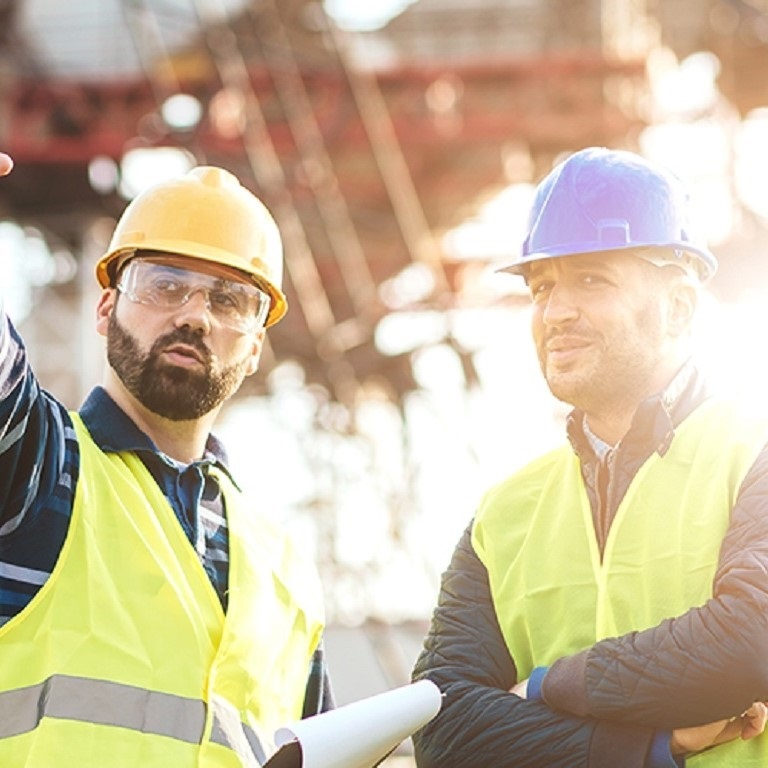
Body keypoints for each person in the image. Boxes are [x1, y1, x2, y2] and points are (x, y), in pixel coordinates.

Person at [410, 146, 768, 767]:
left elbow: (749, 642)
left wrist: (546, 687)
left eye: (592, 280)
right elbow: (441, 727)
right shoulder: (506, 513)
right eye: (542, 287)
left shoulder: (753, 452)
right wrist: (646, 747)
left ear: (679, 306)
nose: (555, 312)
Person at [0, 153, 333, 767]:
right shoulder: (40, 467)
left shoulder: (287, 573)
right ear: (106, 308)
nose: (194, 315)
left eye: (230, 300)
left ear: (255, 347)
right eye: (165, 285)